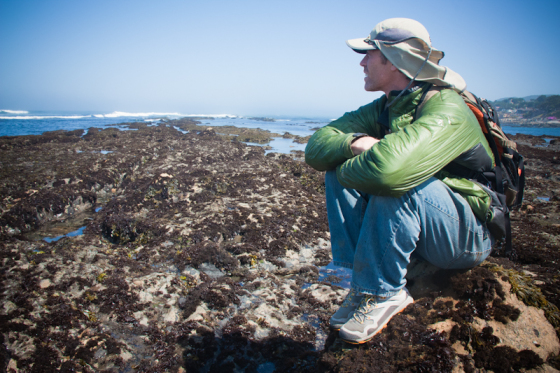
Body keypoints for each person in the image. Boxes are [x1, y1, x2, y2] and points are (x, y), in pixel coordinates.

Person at [304, 18, 496, 344]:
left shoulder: (447, 106)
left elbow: (389, 173)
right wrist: (355, 144)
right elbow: (316, 147)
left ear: (394, 60)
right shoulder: (388, 106)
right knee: (339, 168)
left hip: (468, 234)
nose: (362, 62)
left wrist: (353, 168)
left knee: (392, 180)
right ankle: (359, 284)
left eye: (369, 54)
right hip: (429, 224)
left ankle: (385, 293)